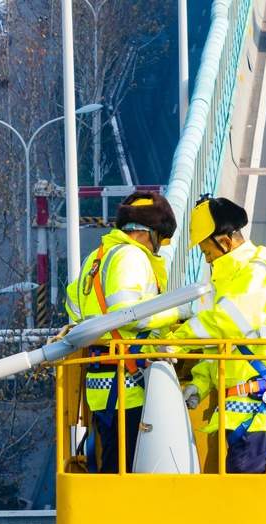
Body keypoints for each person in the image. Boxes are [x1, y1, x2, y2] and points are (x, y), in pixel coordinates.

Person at [168, 195, 266, 474]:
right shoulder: (230, 279)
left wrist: (175, 340)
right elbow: (222, 347)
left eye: (207, 252)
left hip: (253, 406)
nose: (207, 260)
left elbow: (227, 323)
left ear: (225, 242)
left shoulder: (259, 269)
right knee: (235, 489)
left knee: (243, 491)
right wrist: (200, 383)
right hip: (239, 404)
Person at [65, 191, 179, 473]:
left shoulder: (97, 257)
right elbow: (128, 314)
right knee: (127, 467)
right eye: (161, 240)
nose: (160, 249)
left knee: (111, 461)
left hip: (101, 379)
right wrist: (177, 313)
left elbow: (75, 311)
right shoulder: (131, 256)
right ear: (147, 232)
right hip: (126, 382)